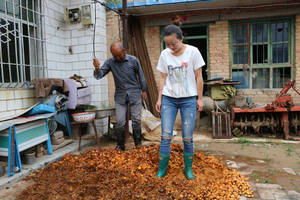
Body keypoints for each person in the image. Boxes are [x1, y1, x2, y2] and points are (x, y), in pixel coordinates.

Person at [155, 24, 204, 179]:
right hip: (169, 99)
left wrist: (200, 99)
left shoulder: (193, 52)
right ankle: (162, 169)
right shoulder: (164, 54)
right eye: (167, 44)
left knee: (187, 137)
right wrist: (159, 98)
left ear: (181, 39)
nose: (171, 47)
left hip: (188, 99)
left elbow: (199, 77)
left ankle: (188, 170)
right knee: (165, 135)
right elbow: (162, 77)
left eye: (173, 44)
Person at [93, 41, 147, 151]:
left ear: (124, 51)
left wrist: (144, 90)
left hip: (135, 93)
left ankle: (138, 144)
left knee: (136, 119)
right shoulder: (110, 62)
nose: (117, 57)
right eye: (115, 55)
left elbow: (141, 76)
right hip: (120, 96)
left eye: (119, 54)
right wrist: (97, 68)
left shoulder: (133, 60)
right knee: (120, 121)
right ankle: (120, 145)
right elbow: (99, 76)